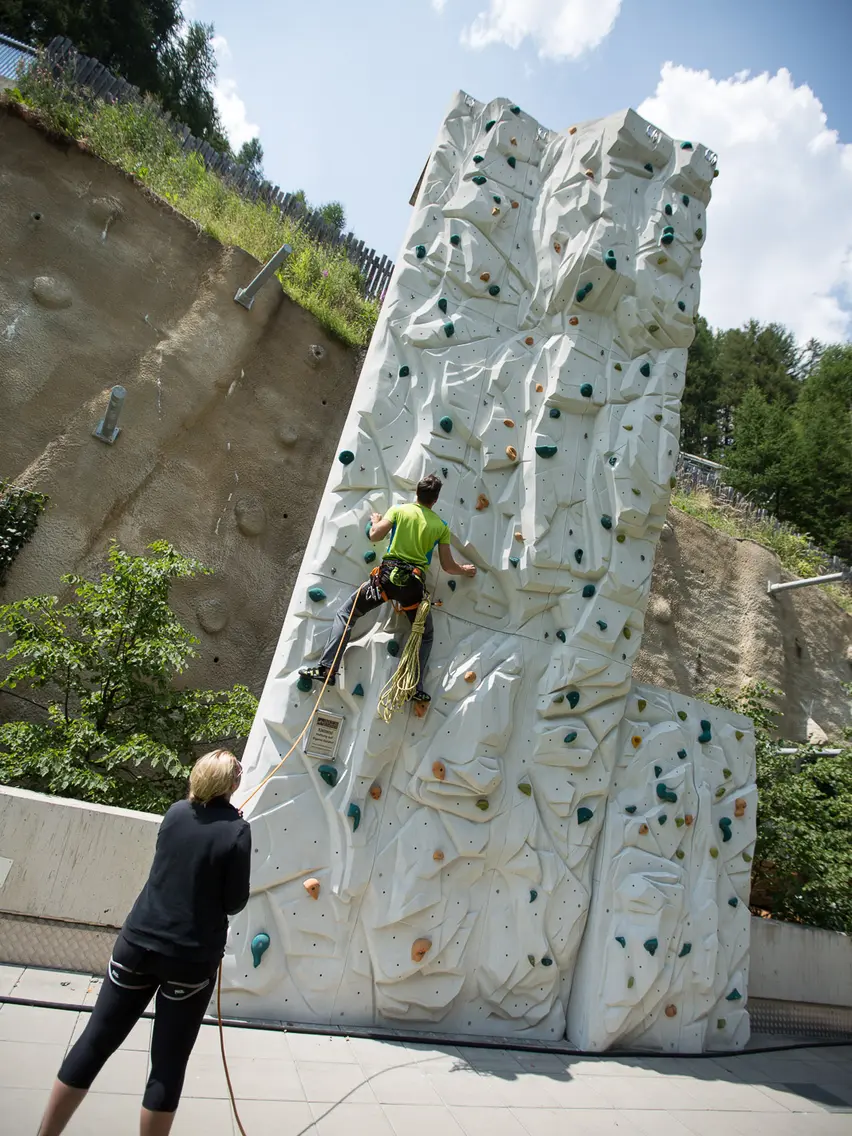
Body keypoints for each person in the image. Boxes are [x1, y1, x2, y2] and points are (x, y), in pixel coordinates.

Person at [37, 750, 251, 1136]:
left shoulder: (173, 814)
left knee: (94, 1043)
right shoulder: (237, 831)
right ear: (231, 784)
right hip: (189, 958)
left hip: (136, 944)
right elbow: (234, 901)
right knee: (167, 1066)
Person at [300, 473, 476, 702]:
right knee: (425, 635)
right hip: (412, 587)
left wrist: (375, 520)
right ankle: (415, 686)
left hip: (385, 581)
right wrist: (465, 569)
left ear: (417, 493)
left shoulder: (399, 511)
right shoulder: (440, 526)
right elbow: (448, 566)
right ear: (435, 500)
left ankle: (327, 668)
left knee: (346, 614)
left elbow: (375, 535)